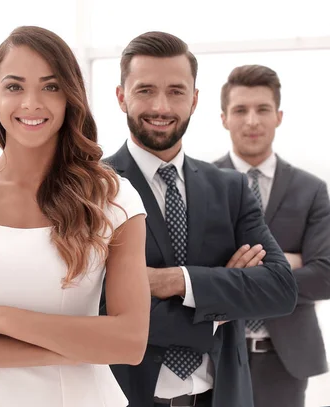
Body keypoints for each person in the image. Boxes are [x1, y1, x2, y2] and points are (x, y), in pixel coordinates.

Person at [0, 26, 150, 407]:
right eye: (15, 87)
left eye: (51, 87)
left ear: (71, 97)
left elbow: (130, 342)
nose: (32, 103)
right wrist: (74, 349)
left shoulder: (114, 198)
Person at [101, 32, 298, 407]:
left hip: (221, 396)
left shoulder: (231, 189)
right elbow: (96, 306)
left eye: (176, 91)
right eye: (145, 90)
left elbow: (280, 288)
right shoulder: (92, 189)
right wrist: (218, 310)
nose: (161, 106)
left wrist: (174, 281)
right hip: (128, 397)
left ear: (194, 99)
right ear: (121, 96)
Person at [213, 64, 330, 407]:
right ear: (224, 118)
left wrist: (238, 275)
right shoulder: (200, 185)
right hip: (216, 353)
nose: (252, 121)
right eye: (240, 110)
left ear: (278, 116)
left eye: (262, 109)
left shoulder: (311, 190)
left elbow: (325, 276)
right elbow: (193, 270)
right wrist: (284, 265)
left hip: (286, 359)